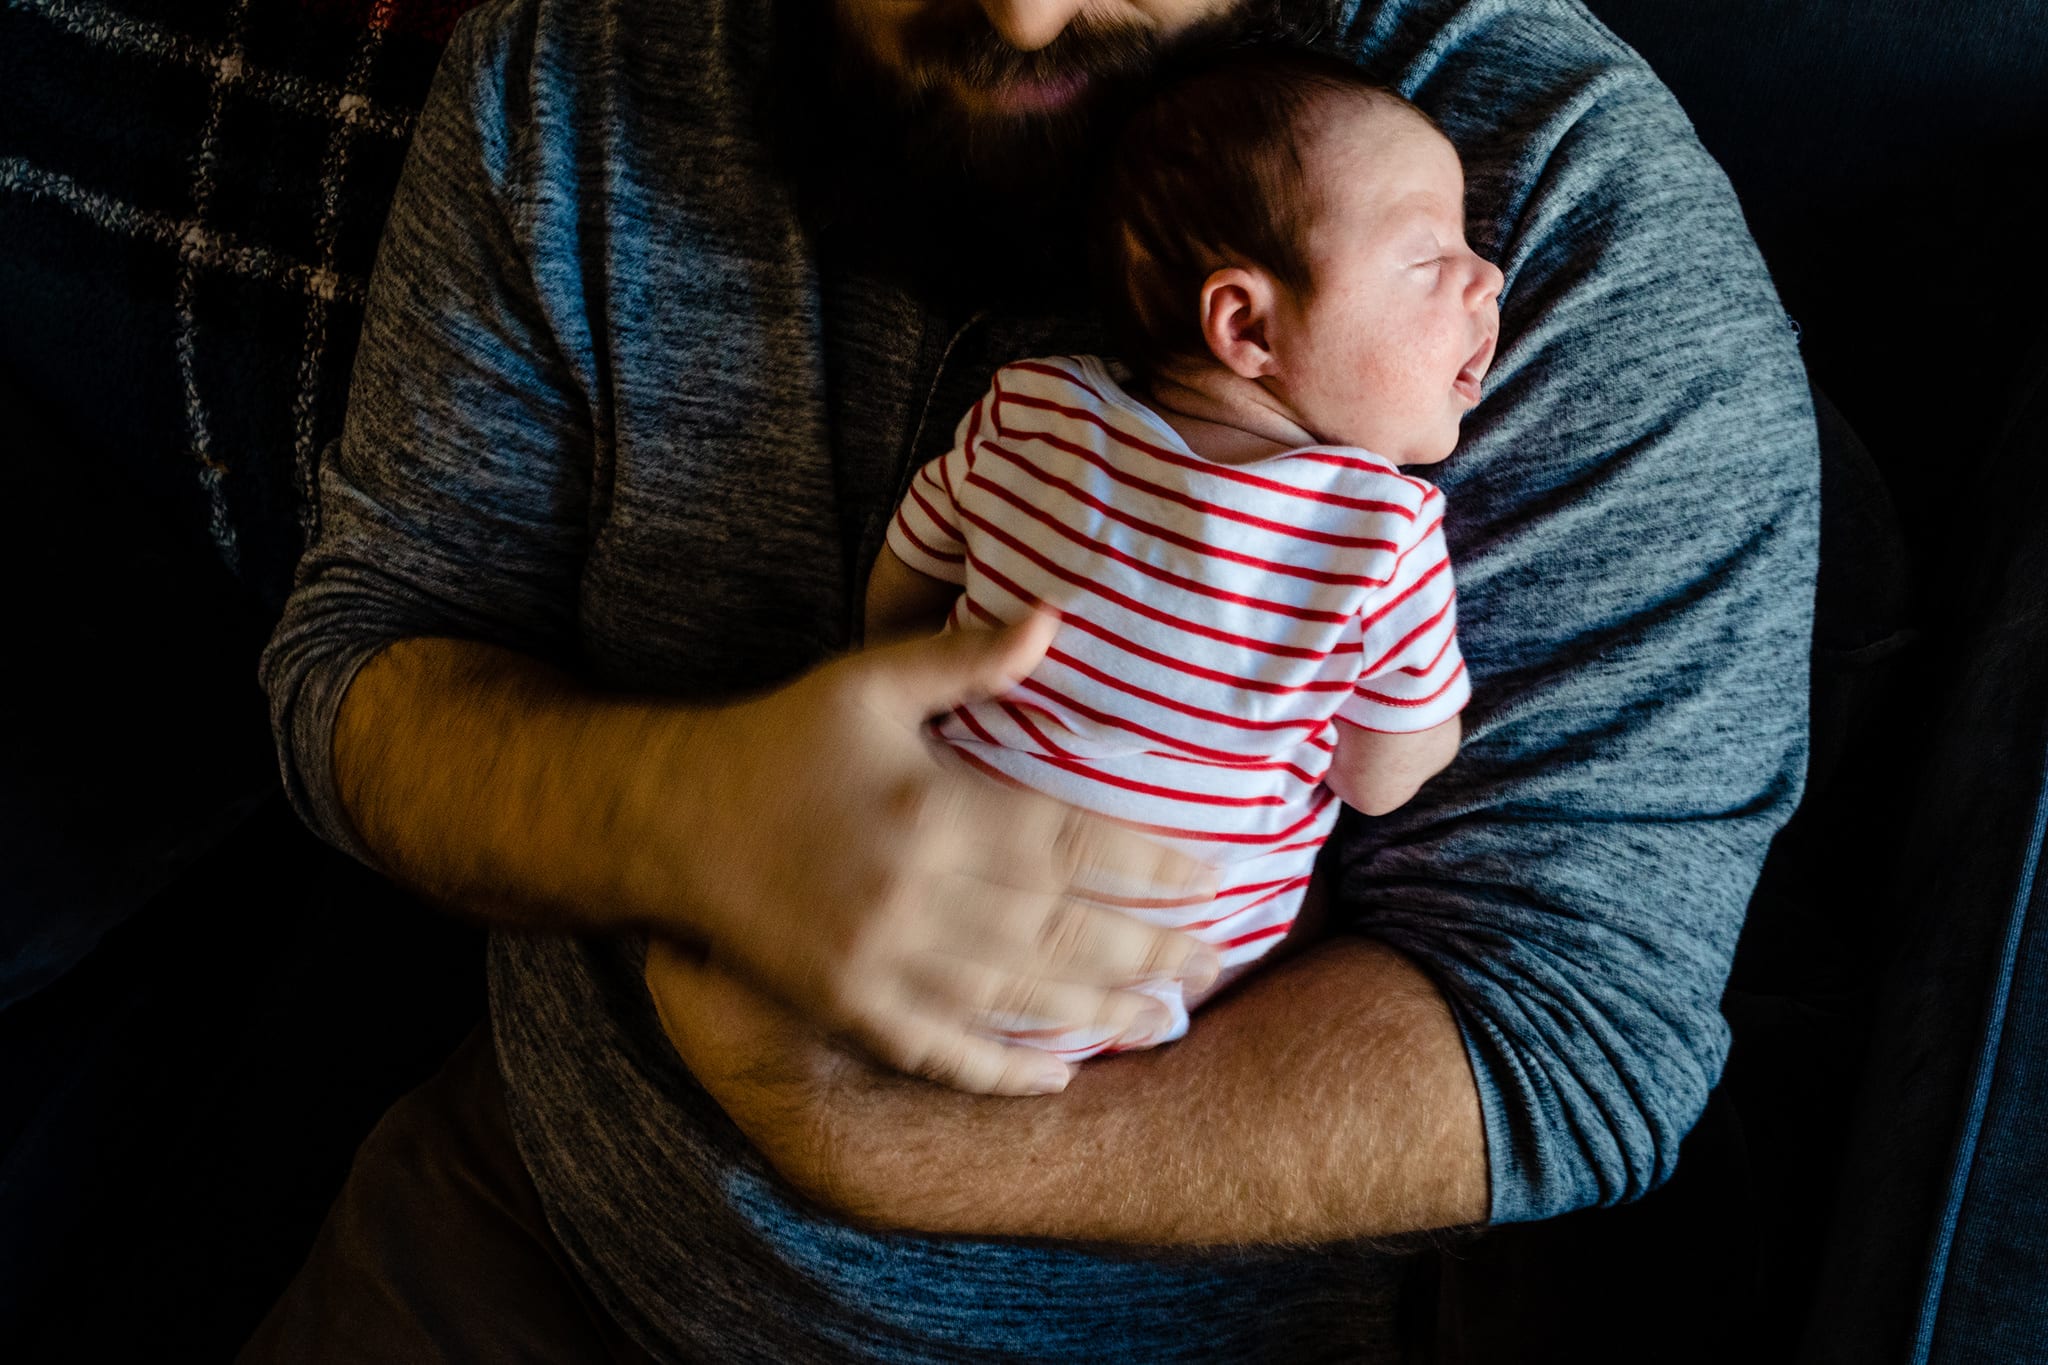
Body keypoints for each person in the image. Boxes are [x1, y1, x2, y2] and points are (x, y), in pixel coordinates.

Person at [247, 0, 1819, 1358]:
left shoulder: (1566, 219)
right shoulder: (578, 67)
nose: (1019, 14)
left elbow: (1583, 1050)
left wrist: (866, 1137)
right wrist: (669, 813)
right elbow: (358, 661)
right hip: (538, 1230)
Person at [865, 55, 1493, 1064]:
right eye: (1427, 260)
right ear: (1245, 324)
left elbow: (909, 565)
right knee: (1309, 912)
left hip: (910, 924)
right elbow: (1377, 782)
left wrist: (895, 681)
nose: (1486, 277)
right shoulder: (1378, 535)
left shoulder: (1032, 409)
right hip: (1135, 1000)